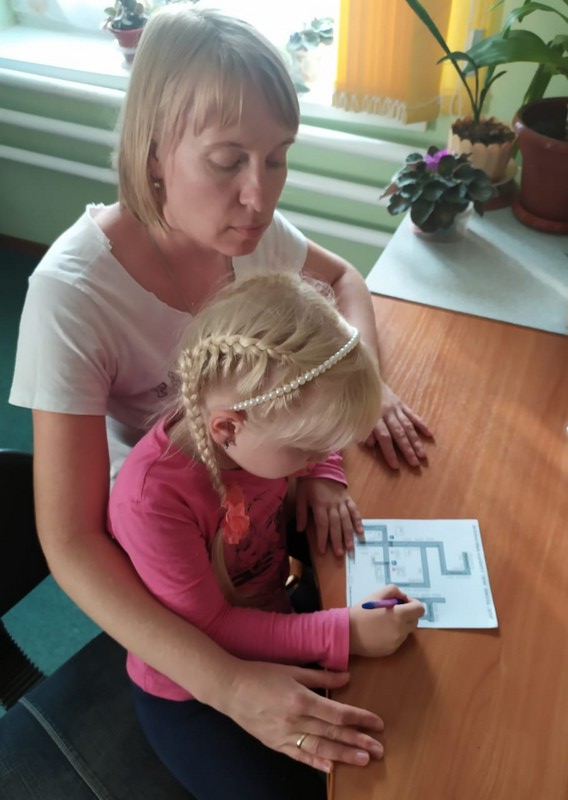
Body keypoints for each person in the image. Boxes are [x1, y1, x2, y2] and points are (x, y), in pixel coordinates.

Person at [9, 3, 432, 785]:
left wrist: (360, 403)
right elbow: (70, 543)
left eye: (277, 159)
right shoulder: (71, 295)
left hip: (257, 514)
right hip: (176, 567)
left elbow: (344, 280)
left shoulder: (250, 235)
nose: (259, 197)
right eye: (228, 161)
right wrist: (230, 687)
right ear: (154, 151)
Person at [107, 271, 425, 798]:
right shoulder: (151, 500)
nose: (315, 458)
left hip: (273, 618)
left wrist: (325, 474)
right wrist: (342, 631)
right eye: (306, 450)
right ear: (227, 428)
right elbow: (211, 627)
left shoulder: (255, 435)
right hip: (192, 691)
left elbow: (311, 438)